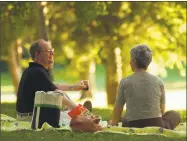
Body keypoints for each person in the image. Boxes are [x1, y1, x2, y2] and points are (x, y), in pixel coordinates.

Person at [16, 39, 91, 122]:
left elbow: (53, 85)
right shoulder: (37, 71)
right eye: (48, 51)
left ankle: (81, 114)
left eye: (52, 51)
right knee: (59, 94)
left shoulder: (34, 70)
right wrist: (77, 109)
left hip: (31, 116)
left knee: (63, 104)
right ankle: (82, 114)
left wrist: (75, 87)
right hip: (31, 118)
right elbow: (57, 92)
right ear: (37, 54)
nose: (52, 53)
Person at [108, 44, 180, 130]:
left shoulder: (125, 81)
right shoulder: (159, 81)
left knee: (125, 117)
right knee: (174, 115)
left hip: (131, 124)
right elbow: (162, 110)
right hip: (156, 124)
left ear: (134, 61)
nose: (129, 61)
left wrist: (114, 122)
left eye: (131, 59)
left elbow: (118, 108)